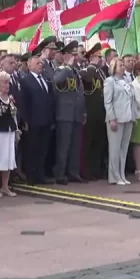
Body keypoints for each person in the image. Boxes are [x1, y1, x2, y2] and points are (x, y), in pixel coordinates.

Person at [52, 42, 86, 184]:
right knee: (63, 146)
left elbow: (80, 93)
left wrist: (83, 112)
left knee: (74, 146)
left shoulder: (76, 71)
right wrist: (67, 66)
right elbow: (57, 81)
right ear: (64, 56)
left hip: (76, 114)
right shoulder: (61, 70)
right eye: (71, 55)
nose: (74, 57)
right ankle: (60, 174)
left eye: (74, 55)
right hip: (64, 114)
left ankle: (73, 172)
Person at [19, 55, 55, 185]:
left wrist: (51, 118)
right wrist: (25, 121)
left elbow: (49, 99)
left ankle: (41, 174)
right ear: (30, 66)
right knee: (32, 150)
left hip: (45, 120)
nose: (41, 65)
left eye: (41, 63)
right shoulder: (26, 80)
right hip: (33, 121)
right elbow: (23, 103)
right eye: (38, 63)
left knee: (43, 149)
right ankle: (31, 176)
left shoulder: (45, 79)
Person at [103, 58, 135, 185]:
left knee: (124, 149)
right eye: (120, 65)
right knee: (115, 149)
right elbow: (108, 101)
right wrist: (112, 118)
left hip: (128, 117)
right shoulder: (110, 81)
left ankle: (122, 174)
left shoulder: (127, 80)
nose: (122, 67)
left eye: (123, 65)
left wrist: (133, 115)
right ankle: (114, 176)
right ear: (113, 67)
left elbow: (133, 98)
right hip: (116, 118)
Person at [82, 46, 108, 181]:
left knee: (99, 142)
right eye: (98, 57)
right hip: (91, 110)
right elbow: (87, 81)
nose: (100, 59)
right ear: (91, 57)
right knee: (89, 142)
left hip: (101, 111)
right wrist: (91, 65)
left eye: (101, 57)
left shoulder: (101, 71)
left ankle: (96, 169)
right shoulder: (89, 70)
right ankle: (87, 170)